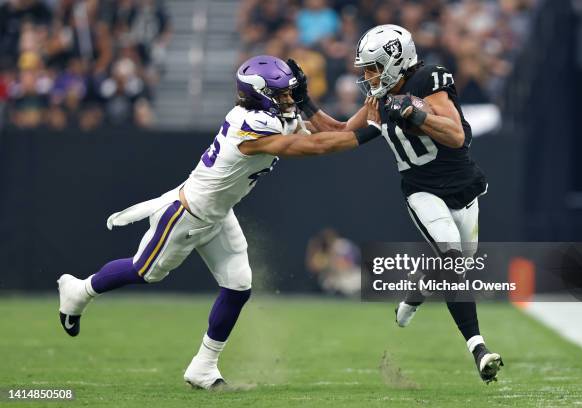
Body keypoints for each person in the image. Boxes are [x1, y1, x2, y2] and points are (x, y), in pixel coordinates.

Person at [57, 55, 382, 389]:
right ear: (260, 95)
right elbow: (313, 145)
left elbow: (337, 130)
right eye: (282, 93)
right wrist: (373, 130)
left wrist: (369, 110)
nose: (288, 99)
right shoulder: (254, 125)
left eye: (289, 93)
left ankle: (203, 367)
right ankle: (78, 291)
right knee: (145, 271)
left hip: (218, 214)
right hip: (186, 215)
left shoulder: (273, 114)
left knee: (238, 285)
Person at [287, 24, 503, 383]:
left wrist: (416, 114)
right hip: (423, 191)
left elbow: (457, 135)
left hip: (463, 188)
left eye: (372, 67)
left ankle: (416, 290)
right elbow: (338, 132)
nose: (367, 76)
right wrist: (303, 101)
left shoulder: (428, 81)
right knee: (452, 263)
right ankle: (479, 349)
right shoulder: (380, 101)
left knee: (455, 263)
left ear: (396, 61)